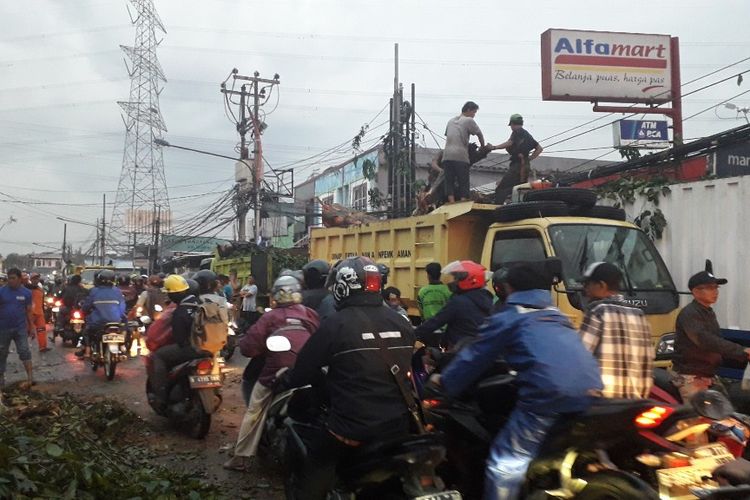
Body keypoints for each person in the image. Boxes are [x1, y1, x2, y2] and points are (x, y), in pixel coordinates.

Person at [436, 263, 603, 500]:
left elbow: (474, 357)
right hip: (589, 393)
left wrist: (444, 383)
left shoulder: (510, 316)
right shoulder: (556, 315)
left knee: (505, 461)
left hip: (548, 397)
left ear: (506, 287)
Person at [282, 257, 415, 499]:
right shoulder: (402, 322)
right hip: (399, 426)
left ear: (343, 287)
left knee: (314, 472)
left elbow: (302, 373)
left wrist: (289, 379)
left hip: (351, 429)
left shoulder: (335, 325)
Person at [223, 275, 320, 472]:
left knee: (255, 410)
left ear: (276, 295)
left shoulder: (270, 316)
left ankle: (241, 457)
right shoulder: (309, 314)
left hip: (276, 372)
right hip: (308, 372)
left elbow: (249, 348)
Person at [672, 267, 750, 401]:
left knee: (727, 414)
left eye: (716, 288)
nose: (715, 292)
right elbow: (705, 340)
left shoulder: (707, 312)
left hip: (708, 376)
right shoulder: (689, 314)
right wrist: (741, 351)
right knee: (698, 419)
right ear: (695, 291)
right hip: (690, 377)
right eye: (709, 288)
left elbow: (716, 342)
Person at [578, 262, 653, 399]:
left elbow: (580, 356)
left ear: (602, 285)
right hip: (636, 401)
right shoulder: (639, 314)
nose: (585, 290)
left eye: (587, 284)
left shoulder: (597, 311)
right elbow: (647, 360)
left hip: (604, 401)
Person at [150, 275, 203, 410]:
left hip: (192, 350)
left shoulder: (180, 311)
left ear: (174, 294)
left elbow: (179, 339)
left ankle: (161, 395)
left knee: (159, 355)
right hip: (211, 347)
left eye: (169, 293)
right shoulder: (202, 303)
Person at [414, 260, 493, 350]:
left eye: (456, 279)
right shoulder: (488, 298)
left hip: (461, 349)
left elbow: (437, 321)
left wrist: (412, 333)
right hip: (482, 347)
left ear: (468, 280)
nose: (454, 282)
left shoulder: (458, 302)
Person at [491, 114, 544, 204]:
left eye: (511, 125)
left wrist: (494, 147)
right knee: (519, 188)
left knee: (501, 188)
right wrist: (529, 158)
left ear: (512, 124)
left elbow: (509, 143)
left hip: (517, 166)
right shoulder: (528, 135)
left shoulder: (517, 132)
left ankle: (497, 207)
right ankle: (517, 205)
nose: (511, 127)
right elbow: (539, 149)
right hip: (525, 165)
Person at [76, 270, 126, 358]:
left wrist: (83, 311)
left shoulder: (94, 291)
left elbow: (87, 306)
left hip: (98, 322)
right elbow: (122, 306)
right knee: (125, 326)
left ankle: (87, 350)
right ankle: (123, 346)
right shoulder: (117, 291)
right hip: (116, 321)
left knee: (87, 330)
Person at [443, 101, 485, 203]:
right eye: (474, 112)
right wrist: (483, 146)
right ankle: (462, 202)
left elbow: (447, 135)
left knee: (449, 181)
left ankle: (451, 201)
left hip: (447, 156)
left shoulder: (450, 121)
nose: (474, 115)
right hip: (460, 156)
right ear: (468, 110)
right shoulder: (469, 120)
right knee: (463, 181)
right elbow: (479, 134)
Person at [0, 268, 35, 390]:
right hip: (3, 328)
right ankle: (1, 380)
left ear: (20, 279)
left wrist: (32, 327)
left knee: (25, 351)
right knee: (1, 353)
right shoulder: (1, 292)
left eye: (13, 278)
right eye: (9, 278)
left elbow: (29, 311)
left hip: (20, 328)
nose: (10, 281)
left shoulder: (27, 293)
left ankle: (30, 378)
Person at [27, 273, 50, 353]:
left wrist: (44, 312)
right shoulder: (27, 289)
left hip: (39, 313)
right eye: (34, 278)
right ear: (31, 279)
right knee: (27, 331)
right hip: (30, 314)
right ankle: (23, 347)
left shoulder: (40, 290)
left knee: (42, 330)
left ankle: (42, 347)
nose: (36, 280)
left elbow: (42, 302)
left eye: (37, 278)